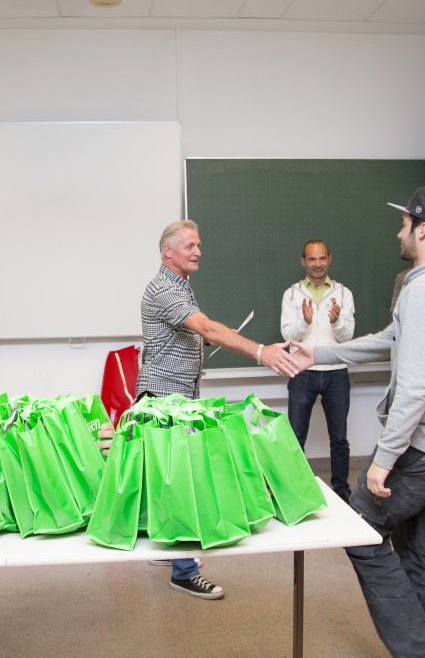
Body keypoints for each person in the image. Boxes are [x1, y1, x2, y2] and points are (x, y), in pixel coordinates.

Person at [292, 187, 425, 658]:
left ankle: (422, 651)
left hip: (424, 447)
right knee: (423, 542)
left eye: (404, 224)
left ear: (423, 230)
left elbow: (416, 387)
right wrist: (320, 353)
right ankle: (424, 642)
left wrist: (384, 459)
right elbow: (389, 339)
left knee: (361, 528)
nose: (399, 233)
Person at [137, 219, 300, 601]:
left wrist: (198, 345)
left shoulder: (181, 284)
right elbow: (207, 328)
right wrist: (260, 351)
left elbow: (190, 333)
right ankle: (185, 571)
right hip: (166, 396)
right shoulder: (165, 288)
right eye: (190, 246)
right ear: (168, 251)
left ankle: (167, 545)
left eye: (198, 245)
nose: (198, 252)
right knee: (185, 480)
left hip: (176, 394)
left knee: (166, 478)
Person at [280, 240, 356, 502]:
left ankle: (341, 489)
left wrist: (336, 322)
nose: (317, 264)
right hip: (302, 372)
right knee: (296, 436)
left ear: (329, 260)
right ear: (303, 262)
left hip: (336, 372)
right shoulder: (292, 294)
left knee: (339, 438)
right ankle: (296, 490)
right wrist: (305, 321)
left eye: (322, 258)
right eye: (312, 259)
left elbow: (347, 336)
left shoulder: (343, 293)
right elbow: (287, 335)